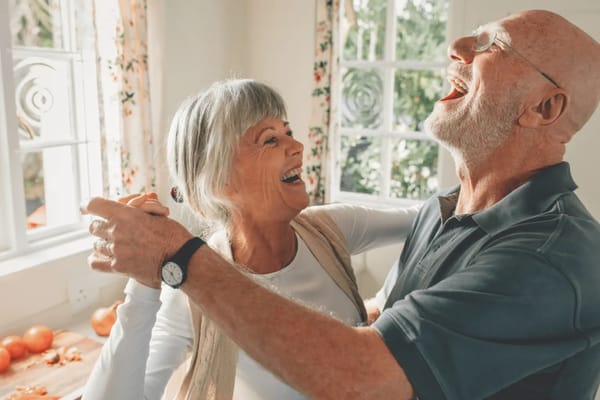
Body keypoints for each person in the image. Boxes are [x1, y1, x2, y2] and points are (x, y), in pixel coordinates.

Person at [83, 9, 600, 399]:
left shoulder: (554, 258)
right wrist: (152, 278)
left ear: (545, 107)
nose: (458, 45)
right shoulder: (442, 211)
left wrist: (177, 259)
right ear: (218, 180)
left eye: (494, 44)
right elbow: (398, 321)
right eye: (269, 139)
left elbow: (365, 371)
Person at [82, 79, 418, 400]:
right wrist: (143, 282)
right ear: (219, 180)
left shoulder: (330, 228)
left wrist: (387, 303)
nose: (298, 147)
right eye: (270, 140)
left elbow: (433, 218)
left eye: (289, 132)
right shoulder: (189, 287)